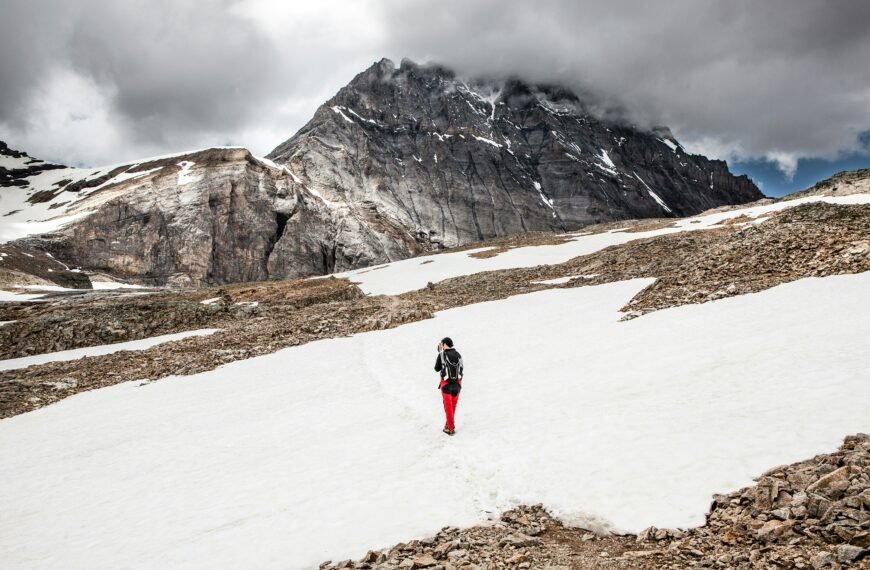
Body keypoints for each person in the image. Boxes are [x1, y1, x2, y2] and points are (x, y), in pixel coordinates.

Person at [435, 337, 463, 435]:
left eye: (442, 344)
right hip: (457, 385)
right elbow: (461, 369)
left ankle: (450, 428)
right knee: (452, 407)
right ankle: (448, 425)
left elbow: (436, 368)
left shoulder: (442, 355)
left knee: (448, 408)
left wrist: (440, 353)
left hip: (446, 385)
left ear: (445, 344)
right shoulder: (458, 355)